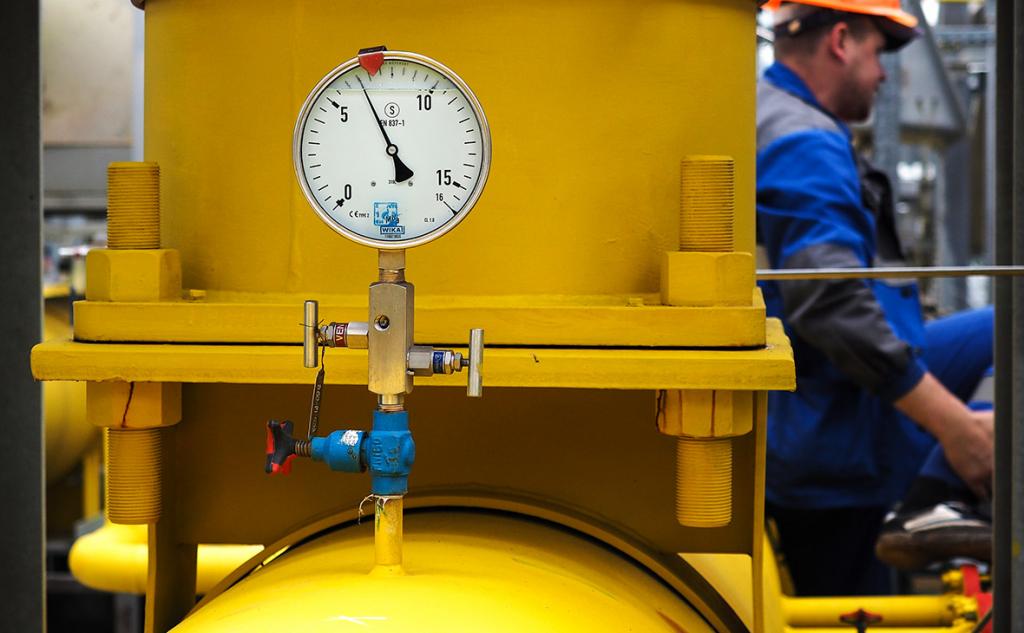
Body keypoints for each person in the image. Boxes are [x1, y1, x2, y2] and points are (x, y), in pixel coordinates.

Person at [756, 0, 994, 596]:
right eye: (878, 53)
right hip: (831, 431)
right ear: (840, 40)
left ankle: (934, 495)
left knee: (1006, 323)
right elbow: (829, 302)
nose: (885, 74)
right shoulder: (803, 141)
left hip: (832, 399)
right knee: (854, 612)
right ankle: (933, 495)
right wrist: (956, 426)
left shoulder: (782, 118)